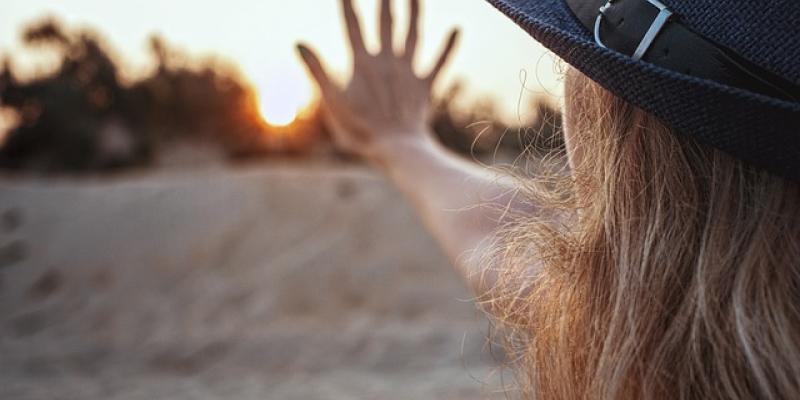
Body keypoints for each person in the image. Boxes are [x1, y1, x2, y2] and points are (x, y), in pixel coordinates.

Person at [297, 0, 800, 399]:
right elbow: (504, 238)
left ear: (629, 131)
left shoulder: (643, 340)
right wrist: (403, 143)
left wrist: (399, 143)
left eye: (581, 59)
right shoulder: (657, 309)